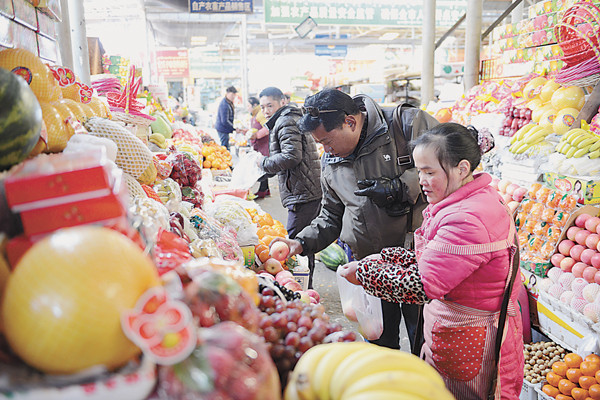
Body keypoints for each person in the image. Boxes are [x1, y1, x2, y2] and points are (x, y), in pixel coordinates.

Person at [338, 122, 524, 399]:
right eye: (418, 171)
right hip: (458, 334)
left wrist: (365, 273)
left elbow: (421, 285)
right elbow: (438, 259)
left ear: (462, 169)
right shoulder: (465, 201)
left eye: (429, 172)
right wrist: (385, 258)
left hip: (472, 343)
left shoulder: (468, 217)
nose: (421, 180)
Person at [270, 88, 438, 350]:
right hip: (369, 268)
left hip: (419, 265)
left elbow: (451, 167)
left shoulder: (406, 124)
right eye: (320, 143)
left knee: (426, 342)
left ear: (350, 121)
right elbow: (331, 215)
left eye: (327, 140)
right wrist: (300, 243)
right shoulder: (331, 160)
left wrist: (401, 187)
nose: (326, 149)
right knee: (378, 345)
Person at [257, 87, 322, 288]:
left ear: (282, 103)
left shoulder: (285, 121)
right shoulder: (288, 118)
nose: (266, 111)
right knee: (303, 242)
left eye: (270, 105)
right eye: (263, 107)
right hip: (304, 188)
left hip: (302, 191)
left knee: (295, 244)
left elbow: (292, 155)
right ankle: (305, 285)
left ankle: (303, 289)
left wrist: (264, 163)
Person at [247, 96, 270, 198]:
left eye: (248, 105)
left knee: (262, 167)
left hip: (263, 145)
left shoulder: (260, 114)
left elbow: (268, 127)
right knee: (262, 167)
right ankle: (266, 189)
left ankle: (262, 190)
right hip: (259, 145)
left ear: (254, 105)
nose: (247, 108)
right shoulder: (254, 114)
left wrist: (257, 135)